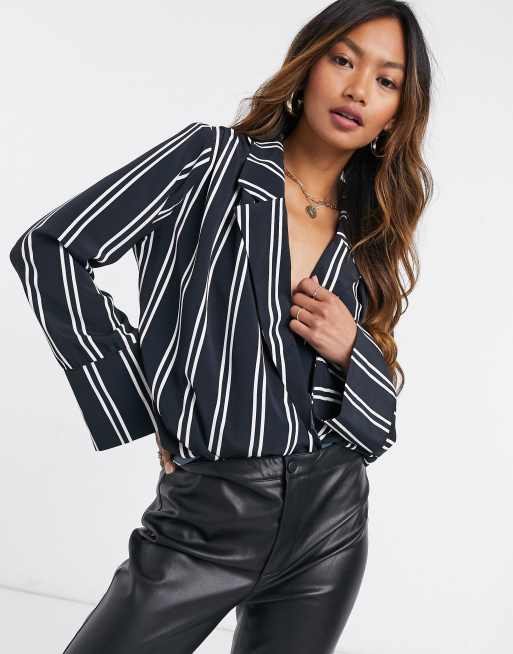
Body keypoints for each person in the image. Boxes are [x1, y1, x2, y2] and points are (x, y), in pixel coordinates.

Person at [9, 1, 433, 652]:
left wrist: (353, 348)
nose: (357, 90)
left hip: (330, 520)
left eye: (385, 81)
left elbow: (377, 426)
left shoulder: (369, 228)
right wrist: (145, 403)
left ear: (396, 115)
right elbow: (51, 248)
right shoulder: (208, 162)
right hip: (206, 513)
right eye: (342, 60)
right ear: (306, 67)